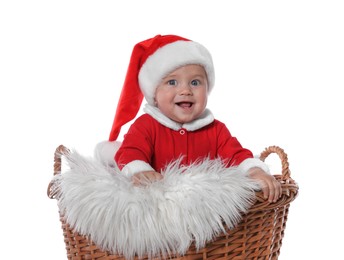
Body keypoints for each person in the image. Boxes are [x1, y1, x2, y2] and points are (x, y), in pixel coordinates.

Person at [107, 34, 282, 203]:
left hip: (205, 211)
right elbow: (130, 151)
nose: (186, 91)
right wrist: (139, 170)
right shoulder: (146, 125)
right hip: (158, 207)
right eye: (172, 82)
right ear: (154, 92)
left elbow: (235, 155)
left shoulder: (215, 130)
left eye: (195, 82)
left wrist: (254, 170)